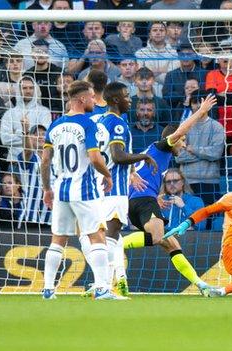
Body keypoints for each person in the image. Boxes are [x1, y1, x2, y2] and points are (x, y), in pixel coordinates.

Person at [121, 94, 217, 295]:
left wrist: (154, 196)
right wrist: (200, 112)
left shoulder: (157, 154)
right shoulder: (162, 147)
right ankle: (117, 244)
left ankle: (202, 285)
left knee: (172, 244)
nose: (183, 145)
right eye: (182, 141)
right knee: (157, 237)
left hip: (141, 200)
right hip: (142, 201)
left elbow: (140, 172)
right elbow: (181, 129)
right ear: (173, 139)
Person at [40, 80, 120, 301]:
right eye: (93, 97)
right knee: (97, 236)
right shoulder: (88, 123)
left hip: (61, 190)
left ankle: (48, 289)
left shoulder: (54, 125)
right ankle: (103, 288)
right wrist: (107, 174)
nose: (95, 101)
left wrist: (47, 188)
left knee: (58, 240)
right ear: (82, 99)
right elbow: (95, 158)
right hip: (84, 190)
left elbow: (45, 161)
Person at [82, 81, 158, 297]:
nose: (130, 99)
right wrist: (144, 156)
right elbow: (118, 155)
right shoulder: (117, 124)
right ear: (115, 99)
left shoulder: (102, 121)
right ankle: (102, 286)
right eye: (126, 95)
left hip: (103, 186)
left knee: (110, 238)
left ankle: (103, 285)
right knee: (110, 236)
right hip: (114, 189)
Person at [175, 90, 225, 207]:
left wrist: (193, 149)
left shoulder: (217, 127)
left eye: (201, 102)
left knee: (210, 220)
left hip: (209, 182)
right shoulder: (183, 127)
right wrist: (205, 155)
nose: (198, 106)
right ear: (190, 104)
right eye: (194, 102)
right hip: (187, 181)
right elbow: (178, 156)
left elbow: (216, 153)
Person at [0, 76, 52, 163]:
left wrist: (17, 132)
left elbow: (44, 138)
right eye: (24, 88)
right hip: (14, 162)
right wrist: (32, 136)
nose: (28, 91)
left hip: (38, 162)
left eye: (31, 88)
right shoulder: (9, 113)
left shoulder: (44, 112)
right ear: (19, 90)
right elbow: (5, 139)